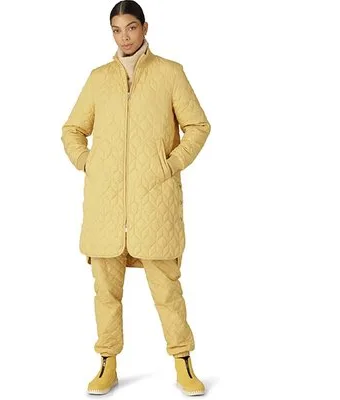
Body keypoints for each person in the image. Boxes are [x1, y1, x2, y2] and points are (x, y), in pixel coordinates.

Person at [61, 0, 211, 395]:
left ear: (145, 28)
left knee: (168, 291)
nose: (124, 37)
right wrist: (88, 163)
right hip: (105, 206)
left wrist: (170, 164)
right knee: (105, 293)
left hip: (154, 201)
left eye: (130, 28)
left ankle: (183, 362)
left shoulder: (170, 73)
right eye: (116, 30)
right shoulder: (98, 78)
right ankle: (107, 363)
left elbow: (198, 126)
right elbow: (73, 129)